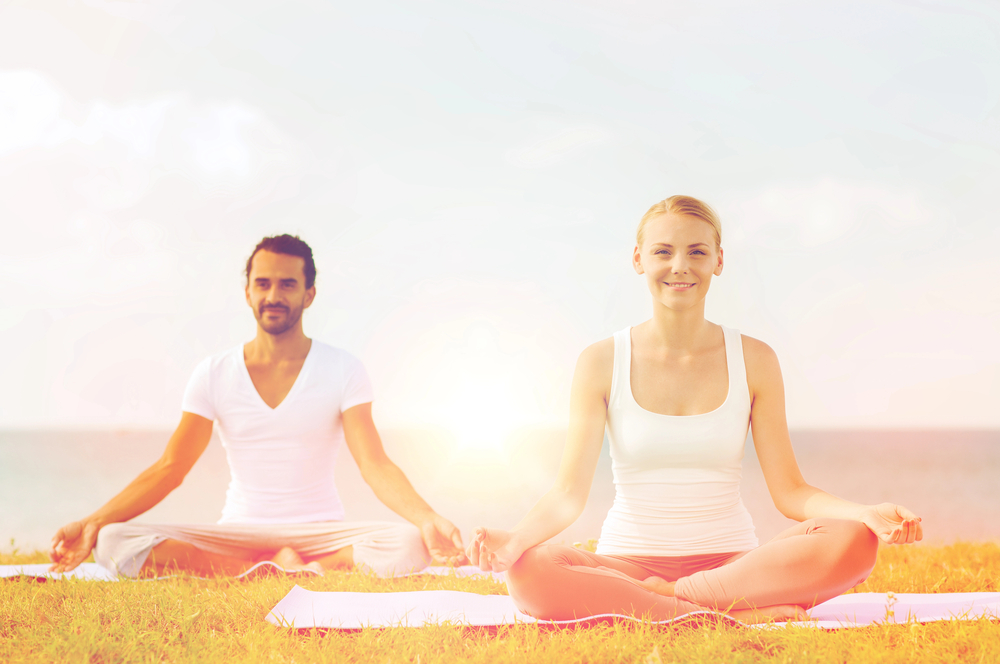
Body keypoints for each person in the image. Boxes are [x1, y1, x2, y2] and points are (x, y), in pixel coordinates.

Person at [466, 196, 923, 623]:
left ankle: (667, 606)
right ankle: (725, 615)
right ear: (639, 259)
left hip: (732, 565)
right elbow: (568, 493)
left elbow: (791, 492)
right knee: (529, 573)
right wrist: (517, 540)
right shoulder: (601, 361)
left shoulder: (755, 359)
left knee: (853, 540)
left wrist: (864, 513)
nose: (680, 266)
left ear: (718, 261)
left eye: (697, 252)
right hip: (626, 563)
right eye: (663, 252)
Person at [50, 234, 467, 577]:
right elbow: (170, 468)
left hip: (320, 532)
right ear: (248, 292)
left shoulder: (343, 369)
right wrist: (93, 522)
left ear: (309, 294)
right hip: (238, 531)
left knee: (408, 542)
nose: (273, 295)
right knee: (113, 540)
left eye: (287, 284)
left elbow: (374, 465)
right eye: (263, 284)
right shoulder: (213, 372)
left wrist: (427, 518)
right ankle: (266, 569)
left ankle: (305, 566)